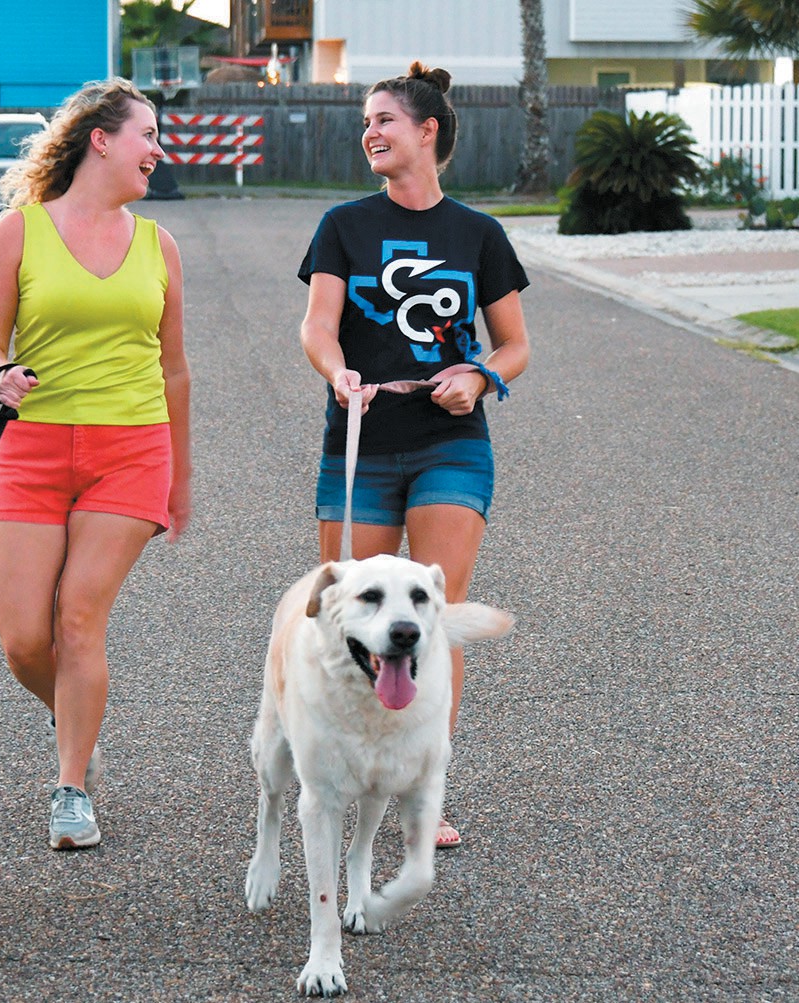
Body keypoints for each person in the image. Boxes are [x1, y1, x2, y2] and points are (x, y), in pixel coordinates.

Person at [297, 62, 531, 849]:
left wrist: (481, 376)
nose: (370, 131)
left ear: (425, 131)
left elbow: (516, 344)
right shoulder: (342, 225)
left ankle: (422, 791)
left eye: (384, 120)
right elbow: (318, 325)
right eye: (366, 121)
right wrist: (336, 374)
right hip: (360, 441)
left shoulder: (477, 234)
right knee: (346, 619)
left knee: (431, 621)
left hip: (450, 446)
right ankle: (342, 776)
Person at [0, 79, 191, 851]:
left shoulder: (159, 243)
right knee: (23, 640)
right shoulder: (19, 232)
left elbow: (173, 371)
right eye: (148, 134)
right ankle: (76, 721)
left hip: (130, 448)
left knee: (78, 614)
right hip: (31, 447)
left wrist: (180, 476)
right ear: (100, 139)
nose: (158, 150)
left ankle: (70, 788)